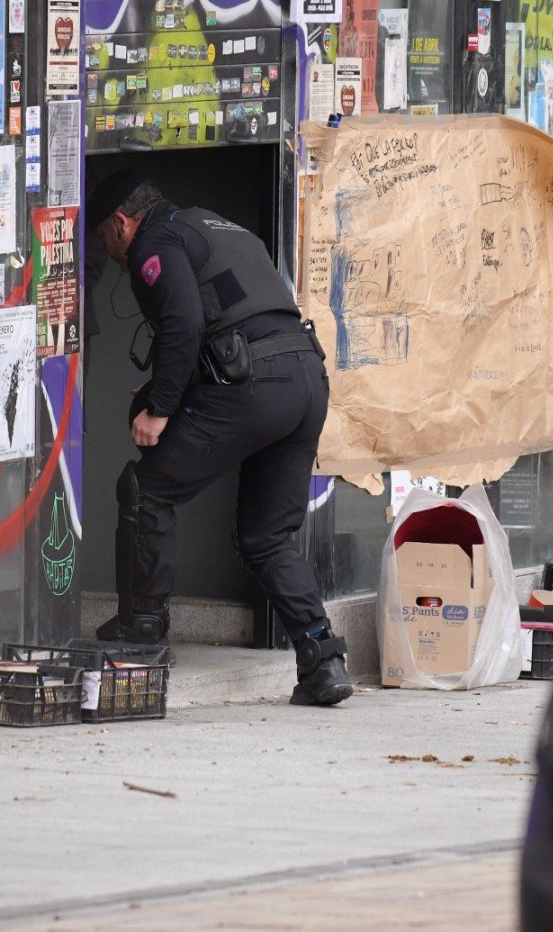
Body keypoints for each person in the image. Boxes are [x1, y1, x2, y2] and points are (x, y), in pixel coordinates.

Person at [85, 168, 354, 707]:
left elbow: (184, 322)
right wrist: (166, 381)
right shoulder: (215, 226)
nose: (113, 256)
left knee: (146, 489)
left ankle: (143, 629)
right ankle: (323, 658)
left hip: (254, 385)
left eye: (106, 242)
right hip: (305, 380)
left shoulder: (153, 243)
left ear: (120, 224)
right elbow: (226, 314)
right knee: (266, 537)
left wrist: (159, 409)